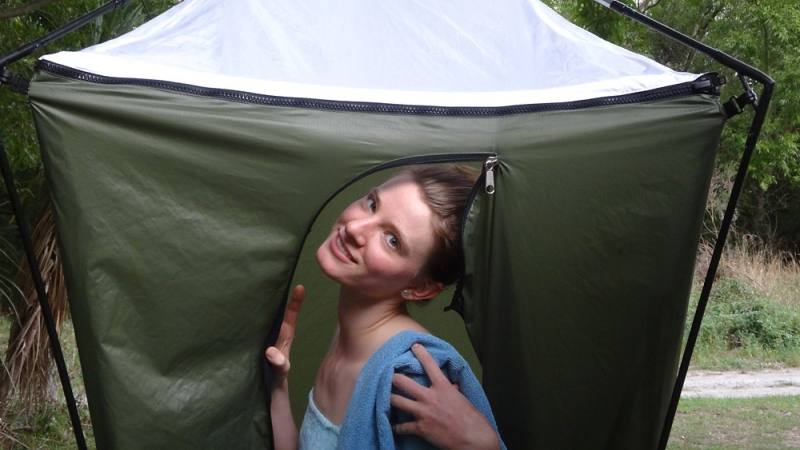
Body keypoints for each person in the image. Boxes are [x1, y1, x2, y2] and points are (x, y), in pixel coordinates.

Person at [265, 165, 503, 450]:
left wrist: (482, 446)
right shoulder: (350, 335)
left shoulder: (410, 376)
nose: (354, 228)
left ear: (420, 288)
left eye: (392, 240)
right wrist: (278, 385)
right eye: (372, 204)